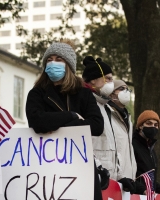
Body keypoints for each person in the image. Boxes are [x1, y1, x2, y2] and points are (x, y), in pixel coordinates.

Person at [26, 40, 104, 200]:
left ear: (68, 64)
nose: (53, 63)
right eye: (49, 59)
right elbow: (37, 122)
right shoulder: (37, 93)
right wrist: (72, 116)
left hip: (81, 167)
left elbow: (97, 126)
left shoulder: (84, 93)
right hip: (49, 169)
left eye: (58, 59)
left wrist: (54, 123)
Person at [82, 57, 136, 193]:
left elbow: (114, 151)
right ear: (93, 80)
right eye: (109, 79)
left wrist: (120, 178)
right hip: (94, 182)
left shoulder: (105, 108)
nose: (112, 83)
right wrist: (99, 170)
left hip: (111, 184)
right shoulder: (85, 103)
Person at [108, 80, 138, 191]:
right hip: (114, 181)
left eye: (127, 89)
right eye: (121, 88)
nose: (126, 92)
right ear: (111, 93)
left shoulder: (127, 118)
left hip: (128, 182)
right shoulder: (107, 115)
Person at [133, 110, 160, 194]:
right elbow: (127, 174)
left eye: (156, 125)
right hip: (135, 195)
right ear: (140, 126)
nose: (153, 127)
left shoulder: (150, 149)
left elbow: (151, 179)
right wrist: (143, 190)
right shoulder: (132, 144)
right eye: (149, 123)